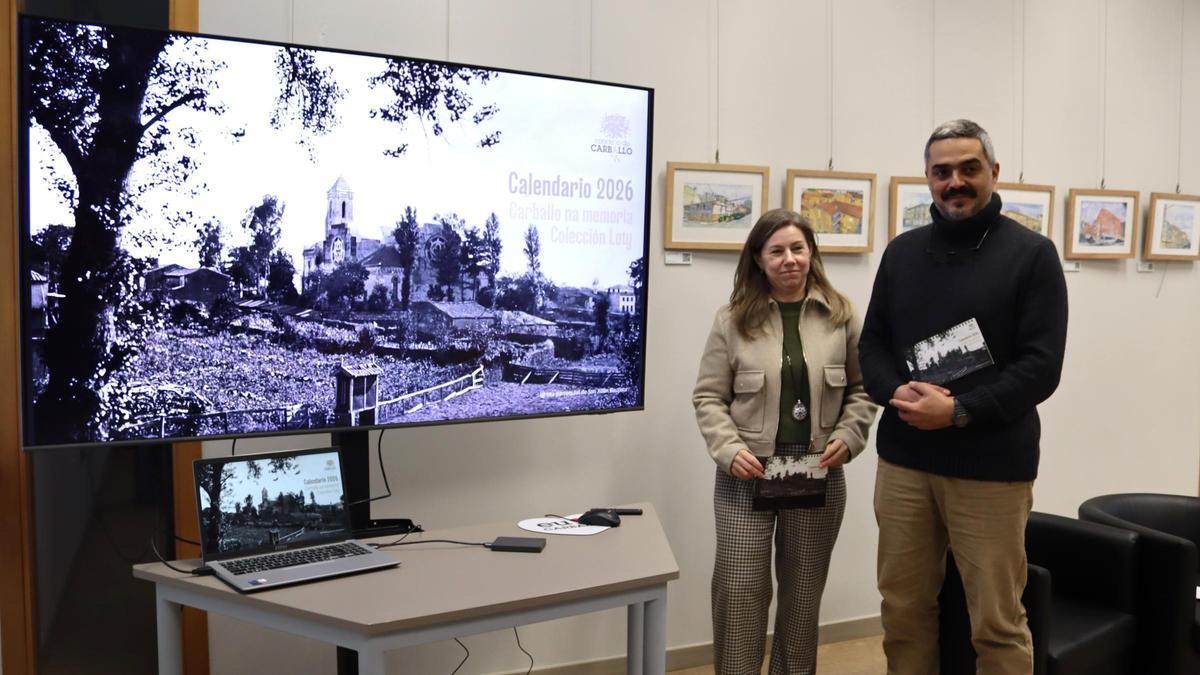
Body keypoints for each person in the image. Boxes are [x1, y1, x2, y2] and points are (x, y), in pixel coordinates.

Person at [859, 119, 1068, 674]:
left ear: (994, 173)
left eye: (969, 168)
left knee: (996, 624)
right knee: (902, 612)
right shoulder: (901, 254)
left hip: (992, 468)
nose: (956, 181)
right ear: (927, 178)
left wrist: (958, 410)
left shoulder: (1033, 255)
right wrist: (895, 391)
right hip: (904, 464)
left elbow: (1041, 368)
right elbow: (873, 343)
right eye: (942, 171)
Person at [693, 209, 877, 675]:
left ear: (811, 252)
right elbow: (709, 397)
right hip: (747, 472)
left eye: (798, 248)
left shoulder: (842, 315)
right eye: (777, 251)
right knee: (739, 590)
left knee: (803, 592)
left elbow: (863, 389)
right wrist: (728, 449)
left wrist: (850, 435)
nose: (789, 259)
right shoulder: (731, 319)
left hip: (818, 471)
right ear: (758, 259)